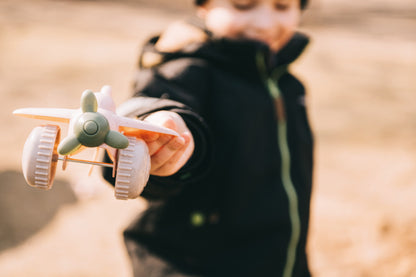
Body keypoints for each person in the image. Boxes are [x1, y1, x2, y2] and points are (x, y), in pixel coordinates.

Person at [104, 0, 314, 276]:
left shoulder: (288, 85)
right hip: (192, 265)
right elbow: (159, 106)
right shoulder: (187, 68)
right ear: (204, 7)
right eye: (242, 5)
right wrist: (153, 141)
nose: (265, 23)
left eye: (283, 6)